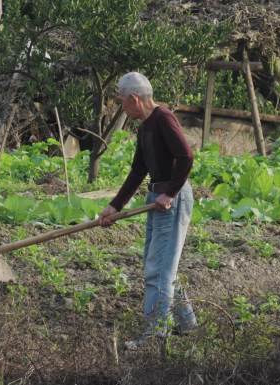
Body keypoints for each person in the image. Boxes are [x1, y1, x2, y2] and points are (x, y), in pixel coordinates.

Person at [98, 72, 197, 350]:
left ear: (134, 99)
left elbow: (186, 156)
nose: (121, 106)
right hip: (157, 196)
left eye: (121, 101)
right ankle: (187, 324)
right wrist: (114, 206)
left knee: (158, 270)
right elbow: (138, 170)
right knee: (161, 266)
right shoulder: (145, 126)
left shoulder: (163, 118)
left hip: (170, 200)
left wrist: (171, 192)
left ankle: (155, 335)